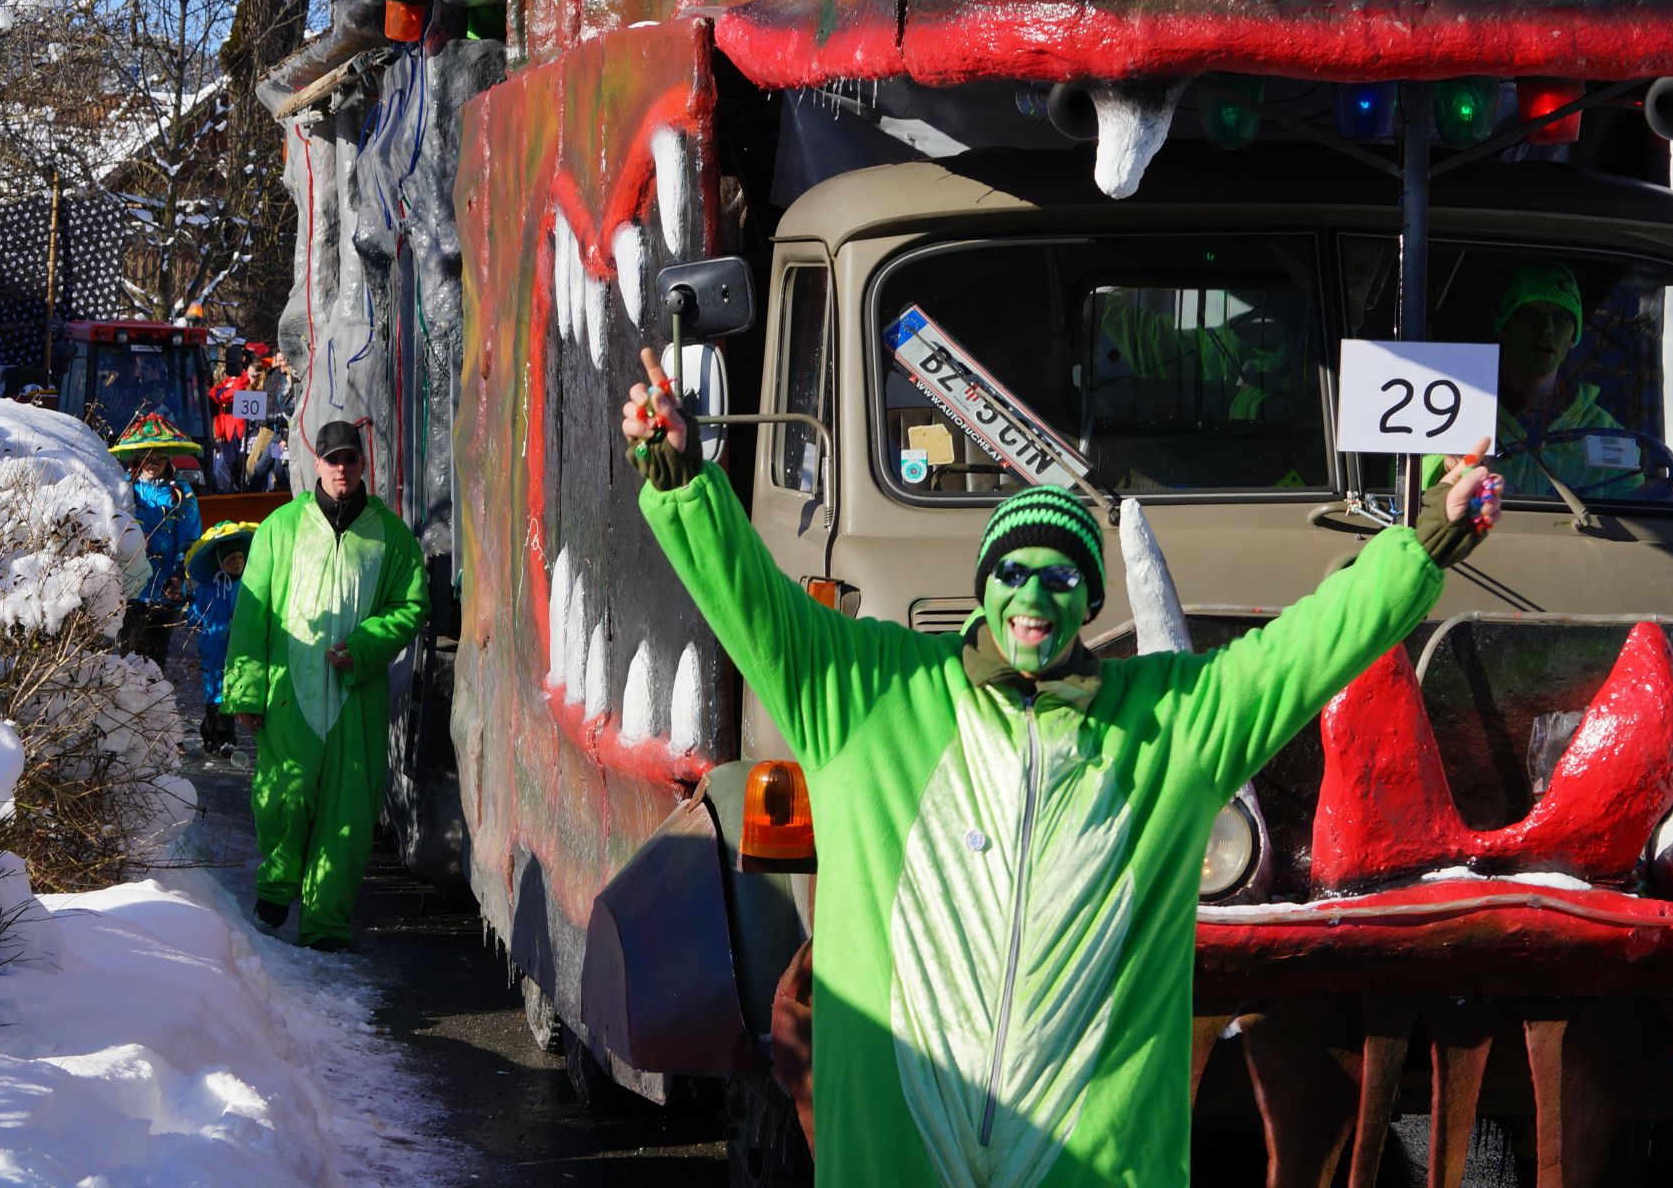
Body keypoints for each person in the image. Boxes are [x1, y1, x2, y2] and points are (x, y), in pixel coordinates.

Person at [621, 346, 1497, 1187]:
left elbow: (1308, 648)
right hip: (898, 1158)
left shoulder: (1172, 724)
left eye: (1061, 577)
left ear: (1091, 600)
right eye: (1013, 571)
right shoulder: (868, 694)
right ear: (983, 585)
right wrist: (681, 481)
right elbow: (752, 603)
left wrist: (1425, 541)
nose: (1034, 597)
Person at [222, 420, 428, 951]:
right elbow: (251, 615)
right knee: (283, 797)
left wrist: (363, 647)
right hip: (287, 693)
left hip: (356, 699)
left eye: (350, 459)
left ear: (362, 464)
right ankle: (277, 885)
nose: (342, 469)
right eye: (332, 459)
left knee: (348, 813)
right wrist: (245, 690)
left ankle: (326, 924)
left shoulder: (391, 536)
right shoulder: (280, 528)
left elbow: (411, 606)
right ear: (316, 462)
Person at [1474, 259, 1634, 499]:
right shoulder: (1462, 412)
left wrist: (1652, 504)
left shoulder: (1605, 432)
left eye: (1562, 318)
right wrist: (1448, 467)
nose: (1547, 328)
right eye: (1531, 315)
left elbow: (1631, 500)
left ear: (1573, 336)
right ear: (1506, 324)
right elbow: (1417, 478)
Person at [113, 414, 203, 668]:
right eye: (147, 458)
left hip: (164, 588)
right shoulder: (125, 489)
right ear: (137, 459)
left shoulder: (180, 493)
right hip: (130, 586)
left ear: (168, 459)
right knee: (127, 656)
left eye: (159, 458)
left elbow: (189, 538)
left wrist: (178, 574)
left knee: (154, 659)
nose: (153, 465)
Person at [185, 523, 258, 755]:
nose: (237, 563)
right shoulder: (209, 588)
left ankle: (218, 734)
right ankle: (222, 738)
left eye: (240, 557)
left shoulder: (249, 584)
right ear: (220, 563)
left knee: (231, 689)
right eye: (230, 560)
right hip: (214, 648)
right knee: (216, 690)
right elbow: (195, 614)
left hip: (238, 646)